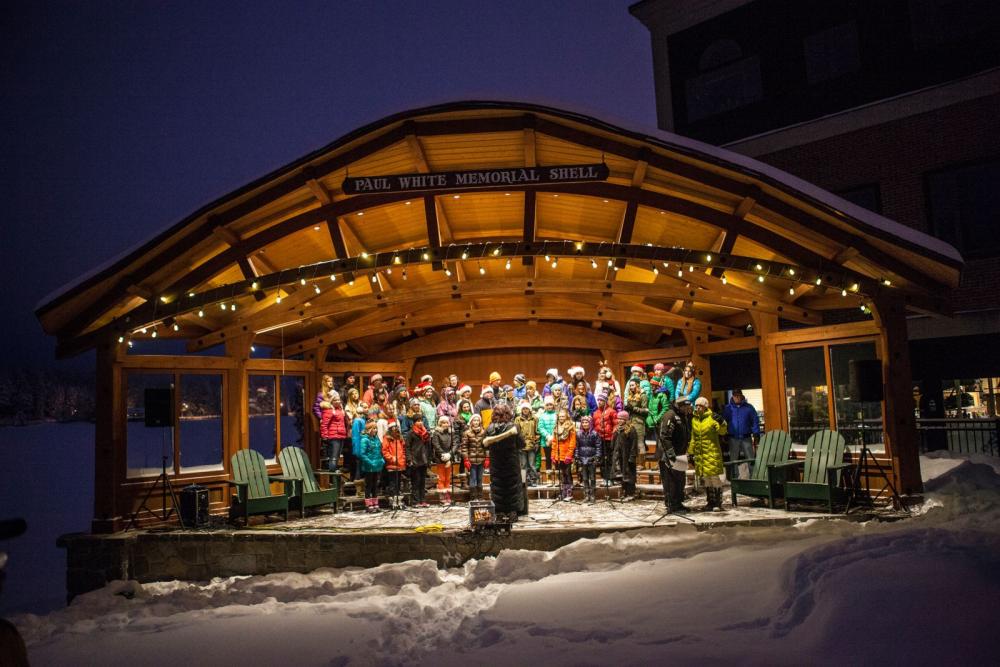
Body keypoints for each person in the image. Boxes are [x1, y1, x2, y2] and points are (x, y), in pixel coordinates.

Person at [484, 403, 527, 519]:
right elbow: (522, 444)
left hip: (496, 462)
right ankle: (512, 512)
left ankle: (499, 512)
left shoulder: (489, 428)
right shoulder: (513, 426)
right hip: (511, 462)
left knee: (498, 486)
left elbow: (484, 445)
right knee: (512, 486)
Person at [690, 396, 728, 511]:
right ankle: (710, 502)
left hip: (712, 452)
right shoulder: (694, 419)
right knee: (706, 479)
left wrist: (722, 422)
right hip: (701, 454)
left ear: (705, 407)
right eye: (696, 406)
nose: (697, 408)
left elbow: (723, 431)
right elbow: (693, 437)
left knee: (714, 478)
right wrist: (691, 452)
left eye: (700, 406)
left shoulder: (712, 418)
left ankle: (717, 503)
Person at [658, 398, 693, 512]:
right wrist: (670, 454)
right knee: (671, 481)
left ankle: (678, 503)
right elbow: (665, 436)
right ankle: (671, 504)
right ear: (680, 406)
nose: (688, 408)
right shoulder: (670, 415)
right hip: (670, 455)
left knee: (680, 481)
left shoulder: (684, 416)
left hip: (681, 454)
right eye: (686, 406)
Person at [722, 389, 760, 480]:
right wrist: (724, 434)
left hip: (746, 437)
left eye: (739, 395)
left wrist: (756, 433)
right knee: (733, 460)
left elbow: (755, 421)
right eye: (735, 396)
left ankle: (754, 477)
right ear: (733, 396)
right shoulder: (728, 408)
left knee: (750, 458)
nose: (737, 397)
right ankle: (734, 479)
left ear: (742, 396)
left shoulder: (749, 407)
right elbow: (723, 422)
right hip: (733, 438)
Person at [612, 409, 640, 500]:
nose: (619, 420)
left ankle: (631, 493)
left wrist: (632, 456)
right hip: (619, 456)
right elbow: (614, 444)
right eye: (618, 419)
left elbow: (634, 444)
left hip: (627, 456)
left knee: (629, 474)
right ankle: (624, 492)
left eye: (621, 419)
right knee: (622, 475)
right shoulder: (617, 429)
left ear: (626, 419)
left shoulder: (631, 430)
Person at [406, 412, 432, 507]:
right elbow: (407, 447)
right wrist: (409, 459)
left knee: (422, 482)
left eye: (421, 421)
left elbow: (429, 447)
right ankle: (415, 501)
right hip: (415, 460)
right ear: (414, 422)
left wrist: (429, 459)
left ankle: (423, 500)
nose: (420, 423)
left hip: (424, 460)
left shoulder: (426, 433)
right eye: (418, 421)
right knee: (415, 482)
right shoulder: (411, 433)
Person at [358, 420, 384, 513]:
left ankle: (375, 503)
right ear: (369, 429)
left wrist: (381, 459)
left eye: (376, 428)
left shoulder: (376, 438)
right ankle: (368, 505)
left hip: (377, 465)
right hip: (369, 466)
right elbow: (362, 454)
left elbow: (379, 451)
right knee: (369, 485)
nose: (376, 430)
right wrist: (370, 462)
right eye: (374, 428)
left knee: (375, 485)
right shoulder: (365, 439)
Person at [551, 409, 577, 501]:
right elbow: (554, 442)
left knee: (567, 473)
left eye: (563, 416)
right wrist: (553, 454)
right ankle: (563, 492)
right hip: (558, 455)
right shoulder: (556, 427)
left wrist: (569, 454)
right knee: (562, 474)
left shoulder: (570, 427)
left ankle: (569, 493)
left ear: (566, 417)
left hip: (566, 454)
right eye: (560, 416)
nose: (561, 418)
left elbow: (572, 442)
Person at [574, 415, 602, 503]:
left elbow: (598, 446)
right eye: (583, 422)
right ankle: (586, 495)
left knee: (592, 478)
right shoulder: (578, 434)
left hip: (591, 458)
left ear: (590, 423)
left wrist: (597, 457)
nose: (585, 424)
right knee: (585, 478)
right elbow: (577, 447)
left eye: (587, 422)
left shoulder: (594, 433)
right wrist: (577, 456)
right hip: (582, 459)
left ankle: (593, 495)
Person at [461, 414, 489, 500]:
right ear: (471, 422)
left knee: (480, 478)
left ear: (480, 422)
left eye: (477, 420)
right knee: (473, 478)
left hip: (481, 459)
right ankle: (473, 497)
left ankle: (480, 496)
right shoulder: (467, 433)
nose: (476, 422)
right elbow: (464, 447)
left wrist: (487, 458)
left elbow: (487, 446)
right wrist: (466, 459)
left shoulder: (484, 432)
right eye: (474, 420)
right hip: (471, 460)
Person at [591, 393, 617, 486]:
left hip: (609, 438)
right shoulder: (596, 412)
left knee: (609, 459)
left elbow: (615, 424)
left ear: (605, 401)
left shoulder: (611, 411)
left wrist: (613, 435)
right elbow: (593, 426)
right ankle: (604, 478)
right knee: (601, 459)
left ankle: (610, 478)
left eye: (601, 400)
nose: (599, 402)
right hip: (599, 438)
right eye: (598, 400)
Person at [320, 392, 349, 472]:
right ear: (332, 401)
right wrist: (324, 436)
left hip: (341, 435)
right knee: (333, 457)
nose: (338, 401)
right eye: (335, 400)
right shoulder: (329, 410)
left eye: (339, 400)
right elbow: (324, 424)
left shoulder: (340, 410)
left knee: (337, 456)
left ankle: (334, 476)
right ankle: (333, 476)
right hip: (333, 436)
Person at [431, 415, 457, 505]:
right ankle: (442, 495)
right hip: (440, 458)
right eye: (443, 422)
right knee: (441, 477)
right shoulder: (436, 433)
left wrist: (450, 454)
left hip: (449, 458)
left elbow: (455, 444)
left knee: (448, 477)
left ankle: (447, 494)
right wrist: (443, 455)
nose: (446, 424)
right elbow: (436, 445)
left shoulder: (451, 432)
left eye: (447, 422)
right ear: (440, 424)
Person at [514, 400, 540, 486]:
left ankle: (533, 480)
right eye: (523, 408)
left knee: (532, 464)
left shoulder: (535, 418)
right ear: (521, 410)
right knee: (523, 465)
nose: (525, 410)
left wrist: (536, 442)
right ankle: (524, 481)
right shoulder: (518, 419)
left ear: (529, 409)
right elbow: (515, 432)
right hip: (522, 445)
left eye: (527, 408)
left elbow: (537, 431)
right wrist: (518, 444)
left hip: (532, 444)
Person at [381, 421, 407, 508]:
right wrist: (392, 458)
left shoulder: (400, 438)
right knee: (393, 483)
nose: (396, 429)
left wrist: (402, 459)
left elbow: (403, 450)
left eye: (396, 427)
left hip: (400, 464)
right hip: (392, 464)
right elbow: (385, 451)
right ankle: (393, 501)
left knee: (399, 483)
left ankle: (398, 500)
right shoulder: (387, 438)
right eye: (394, 427)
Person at [536, 394, 559, 481]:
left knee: (556, 459)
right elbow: (540, 427)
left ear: (553, 405)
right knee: (548, 459)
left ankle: (557, 478)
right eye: (547, 405)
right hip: (546, 441)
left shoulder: (556, 414)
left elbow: (559, 425)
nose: (549, 406)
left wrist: (554, 436)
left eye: (551, 404)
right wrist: (547, 436)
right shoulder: (542, 416)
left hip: (556, 440)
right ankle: (549, 478)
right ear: (545, 406)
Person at [624, 379, 649, 455]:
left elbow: (646, 410)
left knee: (640, 443)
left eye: (633, 385)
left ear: (637, 385)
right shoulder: (630, 395)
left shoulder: (643, 395)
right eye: (630, 385)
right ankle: (635, 463)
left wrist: (634, 408)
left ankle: (641, 464)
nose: (631, 387)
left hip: (639, 422)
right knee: (632, 443)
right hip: (631, 422)